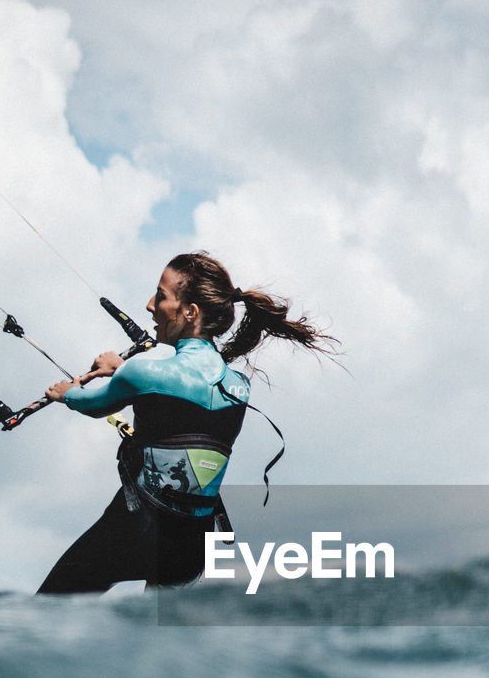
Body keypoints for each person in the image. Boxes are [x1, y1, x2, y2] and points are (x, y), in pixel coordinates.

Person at [36, 251, 337, 594]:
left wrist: (68, 391)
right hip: (192, 545)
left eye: (161, 296)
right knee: (160, 645)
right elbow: (183, 402)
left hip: (135, 531)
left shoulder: (142, 372)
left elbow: (92, 404)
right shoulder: (239, 386)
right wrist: (121, 371)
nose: (150, 305)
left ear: (190, 312)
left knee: (48, 608)